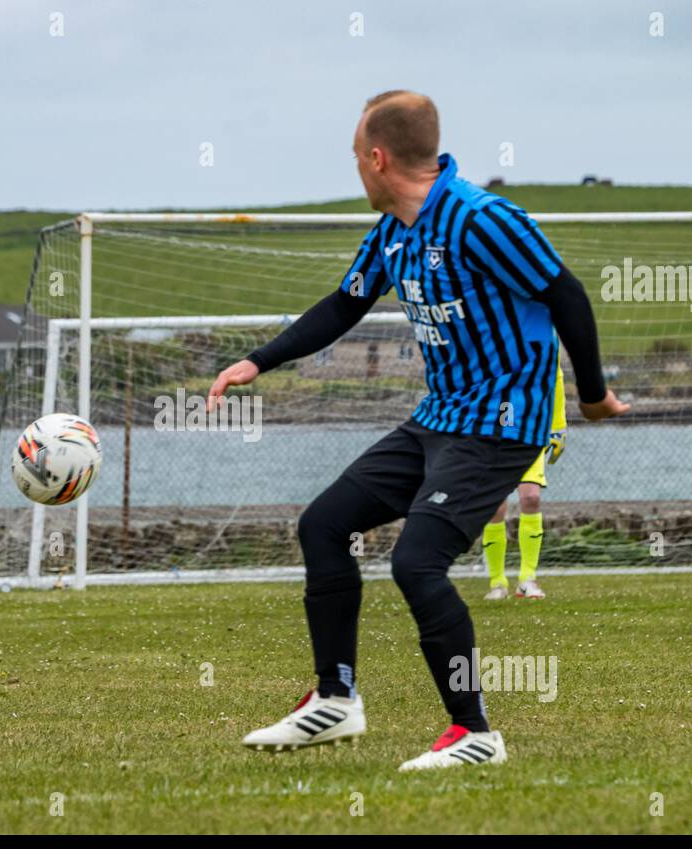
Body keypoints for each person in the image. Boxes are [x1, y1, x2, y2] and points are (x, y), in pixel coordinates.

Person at [208, 91, 628, 770]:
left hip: (498, 424)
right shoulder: (395, 231)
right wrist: (259, 360)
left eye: (354, 157)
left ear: (376, 158)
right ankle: (336, 697)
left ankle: (476, 733)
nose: (356, 169)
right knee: (324, 525)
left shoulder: (482, 218)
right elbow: (345, 302)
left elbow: (566, 292)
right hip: (439, 418)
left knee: (415, 563)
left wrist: (594, 394)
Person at [482, 360, 566, 600]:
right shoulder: (494, 340)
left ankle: (527, 580)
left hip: (531, 433)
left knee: (531, 498)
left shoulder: (543, 339)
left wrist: (558, 427)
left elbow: (556, 379)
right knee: (496, 507)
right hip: (494, 436)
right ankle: (497, 583)